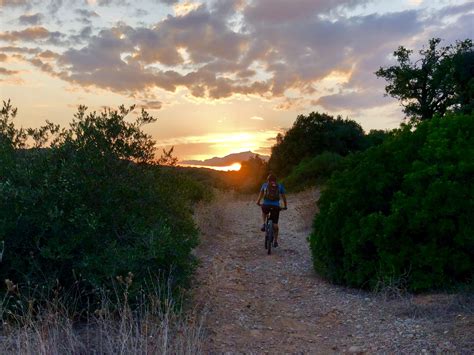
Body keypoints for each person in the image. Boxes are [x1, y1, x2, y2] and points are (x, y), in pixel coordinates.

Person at [256, 173, 287, 247]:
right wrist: (285, 206)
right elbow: (284, 197)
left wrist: (258, 202)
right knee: (275, 225)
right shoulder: (280, 186)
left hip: (266, 206)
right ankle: (275, 241)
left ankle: (264, 224)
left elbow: (260, 195)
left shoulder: (265, 185)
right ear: (276, 180)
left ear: (268, 180)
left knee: (263, 210)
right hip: (276, 207)